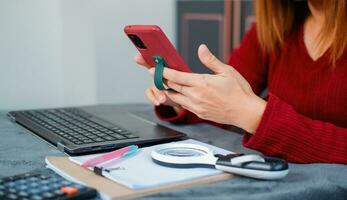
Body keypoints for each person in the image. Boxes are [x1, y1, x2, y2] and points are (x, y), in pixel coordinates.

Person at [134, 0, 347, 164]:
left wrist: (255, 116)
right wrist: (183, 99)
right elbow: (224, 101)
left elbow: (239, 108)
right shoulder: (276, 27)